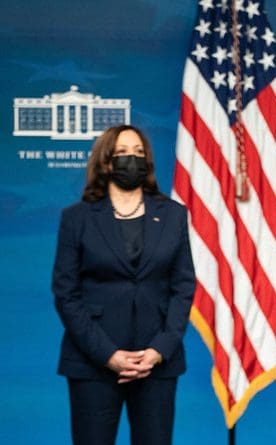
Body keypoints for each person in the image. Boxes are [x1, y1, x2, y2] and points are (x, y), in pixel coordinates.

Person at [52, 125, 196, 444]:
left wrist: (160, 349)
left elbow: (183, 287)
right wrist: (108, 355)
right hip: (93, 365)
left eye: (138, 153)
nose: (132, 160)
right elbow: (66, 293)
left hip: (156, 366)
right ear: (106, 162)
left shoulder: (173, 215)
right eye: (122, 154)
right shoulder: (77, 218)